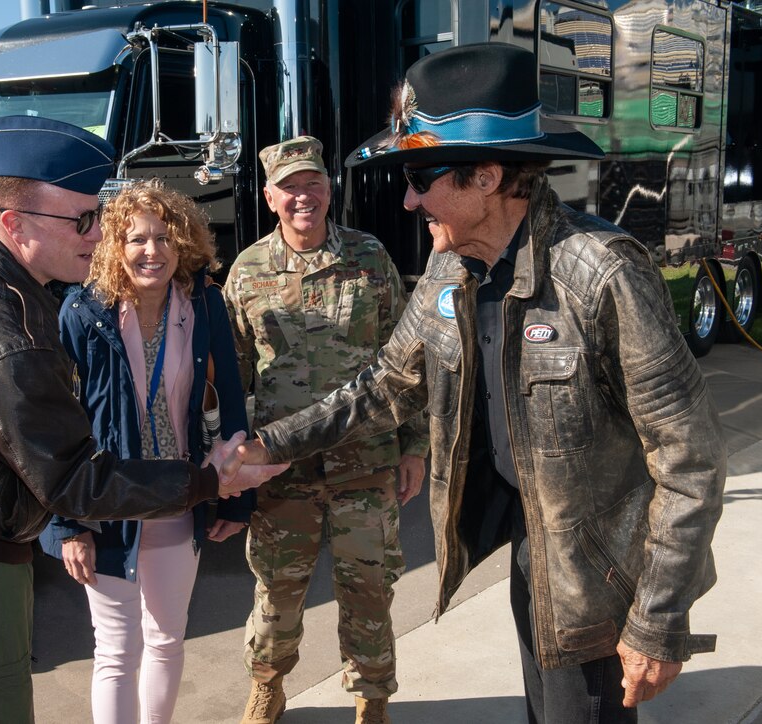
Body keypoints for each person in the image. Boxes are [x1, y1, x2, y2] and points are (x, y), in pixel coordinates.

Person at [240, 44, 727, 722]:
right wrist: (269, 446)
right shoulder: (452, 269)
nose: (408, 199)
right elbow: (384, 385)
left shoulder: (603, 274)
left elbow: (690, 458)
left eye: (422, 176)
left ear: (488, 176)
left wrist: (658, 619)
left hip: (599, 576)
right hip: (537, 557)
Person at [0, 116, 286, 724]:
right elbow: (77, 480)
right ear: (14, 222)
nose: (97, 235)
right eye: (82, 220)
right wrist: (209, 484)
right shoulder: (11, 333)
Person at [224, 136, 429, 724]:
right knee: (277, 591)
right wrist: (231, 464)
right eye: (289, 187)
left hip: (364, 461)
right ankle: (268, 685)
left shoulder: (370, 258)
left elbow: (406, 360)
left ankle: (372, 695)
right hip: (280, 470)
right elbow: (236, 376)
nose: (302, 197)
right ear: (270, 197)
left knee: (369, 588)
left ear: (329, 189)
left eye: (312, 183)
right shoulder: (247, 272)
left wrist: (415, 446)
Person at [38, 180, 254, 724]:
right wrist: (69, 525)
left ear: (182, 243)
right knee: (116, 650)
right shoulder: (84, 314)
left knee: (167, 639)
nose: (151, 250)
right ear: (114, 246)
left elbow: (229, 397)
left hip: (181, 497)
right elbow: (54, 424)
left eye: (163, 237)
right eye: (136, 239)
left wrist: (233, 500)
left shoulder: (203, 303)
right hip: (107, 503)